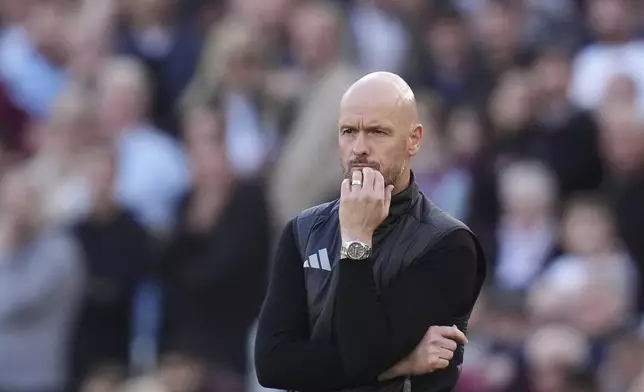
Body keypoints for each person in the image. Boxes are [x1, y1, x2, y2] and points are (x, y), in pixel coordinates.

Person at [254, 72, 486, 392]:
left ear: (414, 140)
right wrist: (402, 363)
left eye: (378, 132)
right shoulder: (302, 230)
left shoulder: (448, 243)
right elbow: (272, 365)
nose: (359, 148)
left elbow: (362, 357)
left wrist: (356, 240)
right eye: (349, 131)